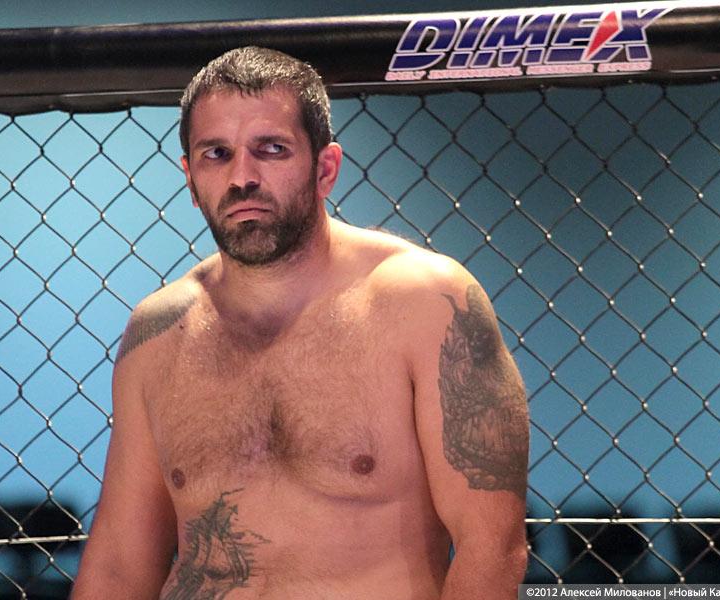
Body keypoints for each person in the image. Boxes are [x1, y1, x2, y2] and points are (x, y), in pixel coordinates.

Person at [71, 46, 529, 600]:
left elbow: (492, 548)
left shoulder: (426, 302)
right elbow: (120, 565)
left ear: (325, 168)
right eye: (217, 154)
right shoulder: (157, 333)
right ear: (190, 179)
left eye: (271, 149)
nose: (242, 177)